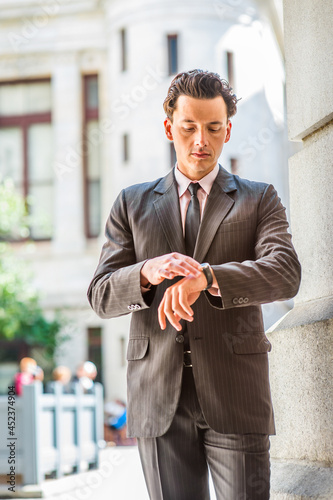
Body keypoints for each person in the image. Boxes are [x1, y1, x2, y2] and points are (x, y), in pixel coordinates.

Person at [87, 69, 301, 500]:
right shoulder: (131, 203)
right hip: (156, 397)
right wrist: (145, 272)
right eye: (188, 127)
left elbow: (285, 273)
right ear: (170, 128)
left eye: (213, 128)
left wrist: (207, 277)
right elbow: (101, 295)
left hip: (235, 392)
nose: (200, 140)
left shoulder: (260, 198)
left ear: (228, 130)